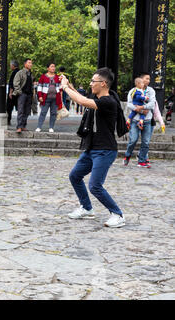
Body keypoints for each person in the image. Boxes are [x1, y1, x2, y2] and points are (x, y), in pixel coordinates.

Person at [61, 67, 125, 228]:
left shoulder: (108, 102)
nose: (90, 84)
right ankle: (87, 208)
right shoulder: (97, 98)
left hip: (105, 150)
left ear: (103, 84)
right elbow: (83, 98)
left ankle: (117, 214)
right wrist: (69, 85)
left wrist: (65, 87)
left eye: (93, 81)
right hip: (91, 148)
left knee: (95, 186)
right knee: (75, 176)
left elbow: (82, 101)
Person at [123, 72, 156, 168]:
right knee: (133, 140)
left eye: (149, 79)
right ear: (140, 80)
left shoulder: (151, 91)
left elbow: (152, 104)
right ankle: (128, 155)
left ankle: (141, 160)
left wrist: (142, 107)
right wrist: (138, 109)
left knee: (146, 142)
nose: (148, 81)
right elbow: (129, 103)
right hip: (135, 120)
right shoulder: (133, 91)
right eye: (146, 78)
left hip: (147, 120)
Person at [36, 62, 63, 133]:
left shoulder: (57, 77)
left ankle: (51, 127)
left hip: (55, 98)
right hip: (45, 98)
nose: (53, 68)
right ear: (48, 68)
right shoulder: (43, 77)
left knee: (53, 113)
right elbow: (39, 87)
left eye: (54, 66)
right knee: (43, 112)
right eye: (51, 66)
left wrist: (60, 96)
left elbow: (60, 87)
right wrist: (40, 96)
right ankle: (39, 127)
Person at [12, 58, 34, 132]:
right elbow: (16, 83)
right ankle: (19, 126)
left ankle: (23, 125)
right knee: (21, 110)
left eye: (31, 63)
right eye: (29, 63)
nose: (31, 64)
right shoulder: (20, 72)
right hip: (22, 94)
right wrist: (19, 92)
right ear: (25, 64)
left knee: (27, 111)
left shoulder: (30, 73)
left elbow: (31, 85)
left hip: (29, 95)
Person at [6, 60, 20, 125]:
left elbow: (12, 83)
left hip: (13, 93)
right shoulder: (20, 72)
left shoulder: (14, 72)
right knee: (19, 108)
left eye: (10, 65)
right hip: (19, 92)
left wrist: (10, 92)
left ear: (13, 66)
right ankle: (20, 122)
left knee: (9, 107)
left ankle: (8, 120)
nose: (10, 66)